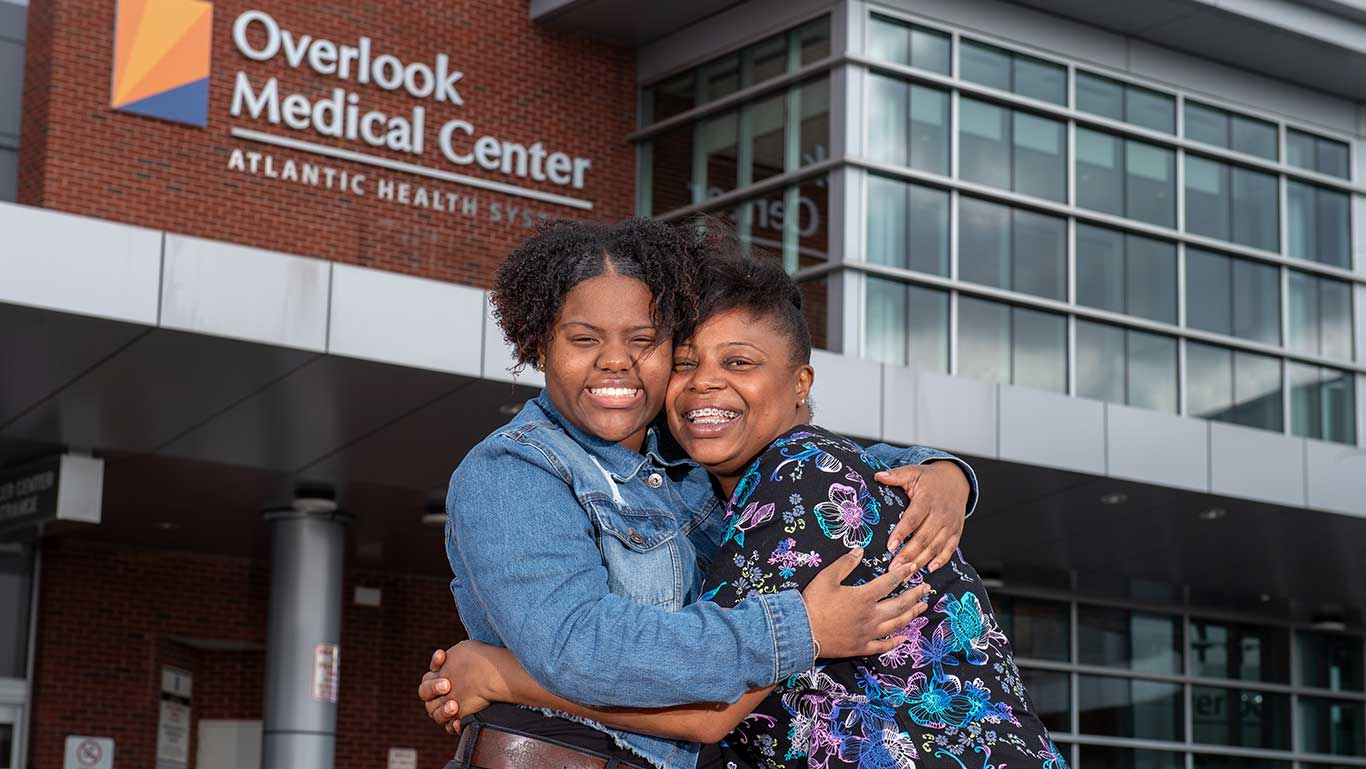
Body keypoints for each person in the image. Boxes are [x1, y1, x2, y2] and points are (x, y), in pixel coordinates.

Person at [421, 242, 1067, 769]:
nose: (616, 360)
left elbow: (712, 711)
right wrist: (802, 627)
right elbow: (580, 646)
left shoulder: (707, 471)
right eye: (583, 338)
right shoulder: (516, 469)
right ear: (538, 344)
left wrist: (944, 470)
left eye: (644, 341)